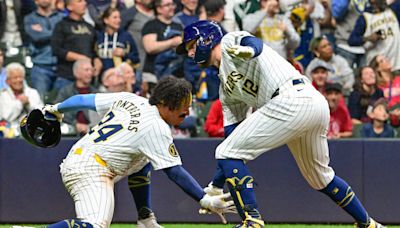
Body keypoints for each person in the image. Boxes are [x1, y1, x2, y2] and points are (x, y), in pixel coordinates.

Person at [176, 20, 385, 227]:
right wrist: (216, 185)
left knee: (227, 152)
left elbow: (253, 43)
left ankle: (252, 220)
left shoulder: (229, 41)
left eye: (192, 46)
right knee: (320, 178)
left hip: (291, 97)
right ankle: (369, 223)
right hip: (309, 103)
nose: (191, 53)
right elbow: (232, 137)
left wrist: (249, 51)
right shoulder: (226, 89)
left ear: (208, 38)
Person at [42, 76, 233, 228]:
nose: (186, 113)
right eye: (182, 110)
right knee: (94, 226)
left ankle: (145, 219)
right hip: (91, 169)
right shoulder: (156, 128)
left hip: (81, 156)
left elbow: (84, 99)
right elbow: (174, 171)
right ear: (166, 104)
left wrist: (56, 109)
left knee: (143, 159)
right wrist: (205, 199)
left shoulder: (130, 98)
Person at [23, 0, 65, 101]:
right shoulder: (29, 18)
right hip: (40, 66)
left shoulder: (62, 17)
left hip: (61, 65)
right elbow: (36, 37)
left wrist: (44, 32)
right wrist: (58, 34)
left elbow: (67, 37)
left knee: (62, 103)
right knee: (38, 101)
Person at [0, 62, 43, 137]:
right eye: (15, 78)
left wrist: (28, 104)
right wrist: (20, 103)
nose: (18, 80)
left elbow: (41, 115)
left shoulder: (33, 93)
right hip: (9, 134)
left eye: (20, 77)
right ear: (7, 81)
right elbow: (6, 117)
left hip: (31, 132)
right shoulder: (3, 95)